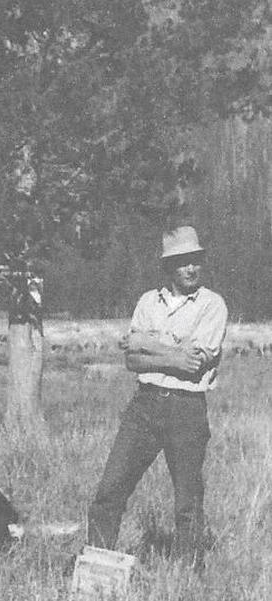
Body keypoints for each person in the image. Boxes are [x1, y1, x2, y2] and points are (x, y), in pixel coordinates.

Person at [87, 226, 228, 568]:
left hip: (186, 409)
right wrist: (172, 352)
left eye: (195, 260)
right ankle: (97, 568)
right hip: (144, 406)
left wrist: (147, 343)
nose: (191, 268)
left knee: (187, 502)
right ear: (169, 267)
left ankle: (186, 576)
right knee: (109, 492)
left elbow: (195, 362)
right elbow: (131, 359)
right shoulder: (148, 302)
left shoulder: (212, 305)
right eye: (182, 262)